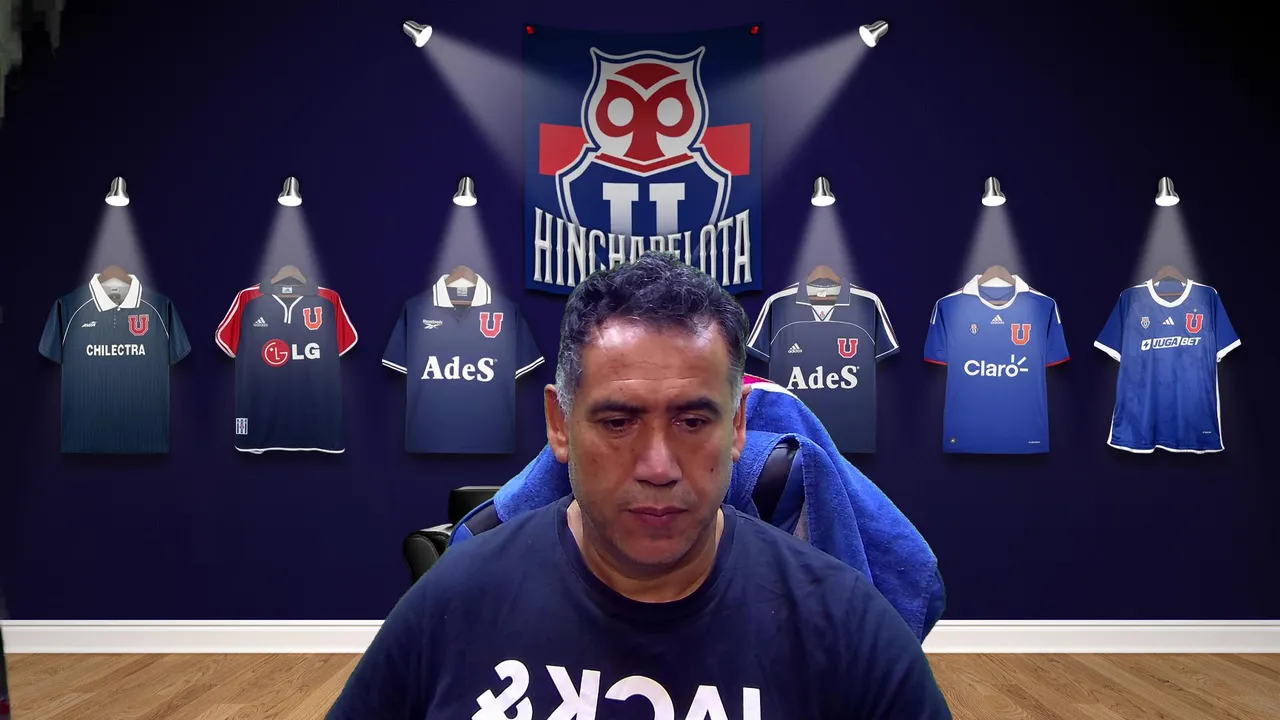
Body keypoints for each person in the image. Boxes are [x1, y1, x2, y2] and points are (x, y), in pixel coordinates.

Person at [327, 253, 952, 719]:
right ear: (559, 424)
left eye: (693, 421)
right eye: (618, 422)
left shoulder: (848, 627)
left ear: (738, 427)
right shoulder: (451, 603)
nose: (658, 466)